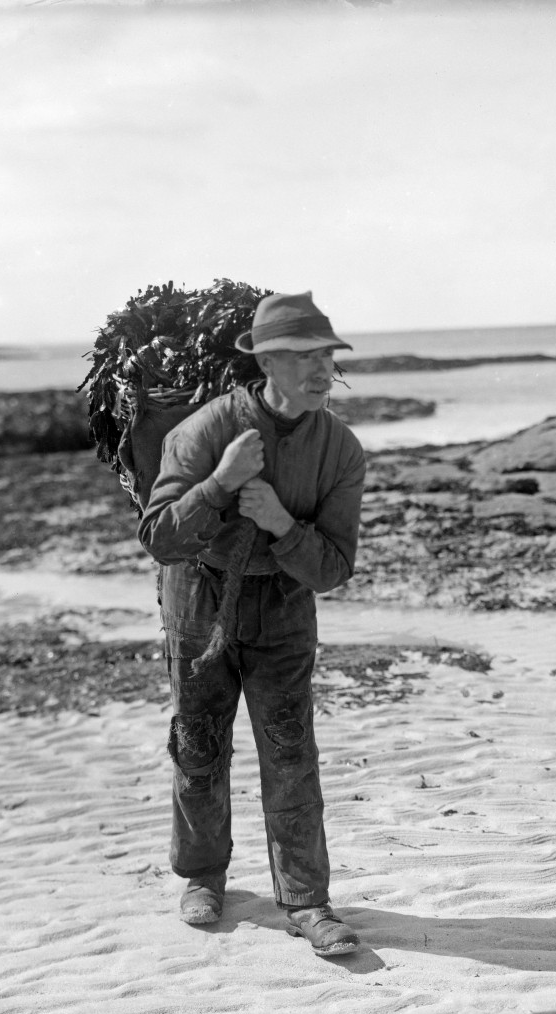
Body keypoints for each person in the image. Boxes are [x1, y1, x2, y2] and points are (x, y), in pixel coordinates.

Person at [138, 291, 366, 957]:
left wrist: (281, 526)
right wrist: (219, 483)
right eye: (303, 357)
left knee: (292, 752)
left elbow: (334, 567)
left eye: (327, 356)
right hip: (198, 602)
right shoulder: (206, 431)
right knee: (199, 745)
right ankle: (202, 877)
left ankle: (307, 901)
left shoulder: (341, 449)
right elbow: (159, 537)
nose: (321, 370)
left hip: (286, 610)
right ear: (267, 361)